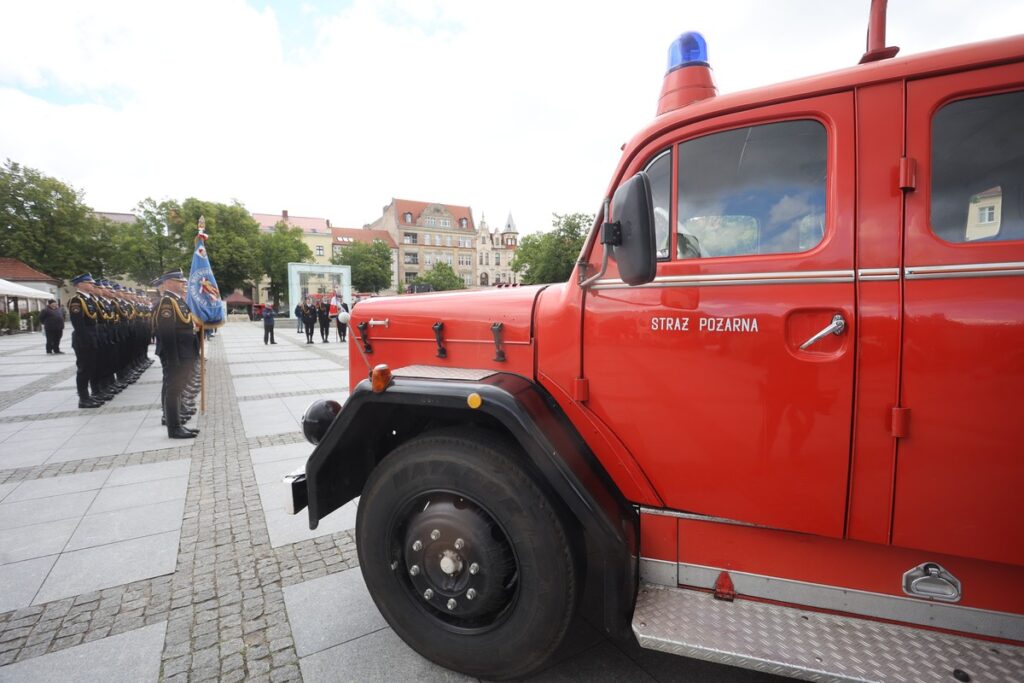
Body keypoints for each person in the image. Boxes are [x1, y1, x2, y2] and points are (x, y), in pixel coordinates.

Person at [154, 270, 198, 439]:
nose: (183, 283)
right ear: (168, 283)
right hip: (176, 354)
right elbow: (167, 333)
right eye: (179, 281)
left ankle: (177, 423)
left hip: (184, 352)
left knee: (177, 389)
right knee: (173, 389)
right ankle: (173, 428)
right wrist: (173, 358)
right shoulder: (167, 302)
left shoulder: (177, 300)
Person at [68, 274, 105, 408]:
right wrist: (85, 340)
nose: (92, 285)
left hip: (92, 336)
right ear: (80, 284)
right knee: (84, 369)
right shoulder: (76, 301)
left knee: (92, 367)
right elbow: (78, 324)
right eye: (89, 283)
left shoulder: (89, 300)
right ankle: (83, 398)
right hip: (84, 339)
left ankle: (92, 394)